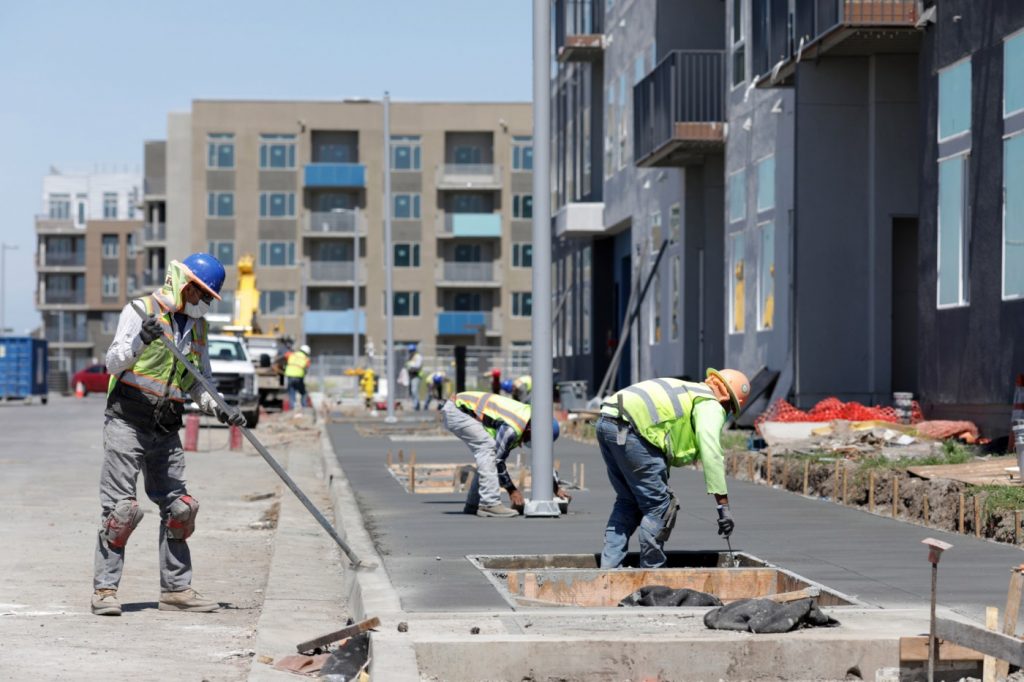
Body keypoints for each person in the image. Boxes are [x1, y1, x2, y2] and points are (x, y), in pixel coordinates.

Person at [92, 253, 246, 617]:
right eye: (203, 295)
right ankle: (105, 591)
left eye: (210, 298)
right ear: (186, 286)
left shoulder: (199, 329)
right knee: (121, 512)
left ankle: (176, 590)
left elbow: (198, 381)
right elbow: (112, 362)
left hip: (166, 427)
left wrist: (221, 408)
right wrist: (139, 343)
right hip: (127, 421)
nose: (205, 303)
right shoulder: (141, 310)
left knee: (181, 509)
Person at [596, 369, 751, 569]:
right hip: (633, 429)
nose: (727, 413)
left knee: (628, 500)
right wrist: (723, 507)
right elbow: (711, 452)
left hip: (607, 421)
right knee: (659, 506)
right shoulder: (710, 404)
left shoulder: (690, 391)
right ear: (727, 400)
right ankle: (653, 573)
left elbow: (665, 431)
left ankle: (608, 570)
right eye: (731, 408)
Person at [441, 391, 569, 517]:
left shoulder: (532, 420)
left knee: (489, 455)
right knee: (488, 449)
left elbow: (541, 459)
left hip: (462, 408)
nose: (529, 442)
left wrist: (554, 487)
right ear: (532, 430)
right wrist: (512, 491)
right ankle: (489, 504)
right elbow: (498, 461)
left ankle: (473, 504)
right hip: (457, 410)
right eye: (531, 439)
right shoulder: (512, 428)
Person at [283, 343, 311, 411]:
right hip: (298, 377)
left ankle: (292, 407)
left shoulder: (292, 354)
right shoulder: (306, 358)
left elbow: (285, 355)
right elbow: (307, 367)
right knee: (303, 392)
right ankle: (304, 406)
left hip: (289, 376)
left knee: (292, 391)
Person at [405, 343, 423, 411]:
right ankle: (415, 404)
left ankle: (416, 405)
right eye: (410, 350)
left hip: (417, 375)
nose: (410, 351)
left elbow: (417, 366)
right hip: (411, 375)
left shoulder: (418, 356)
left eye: (411, 350)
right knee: (412, 391)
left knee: (414, 390)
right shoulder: (410, 356)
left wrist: (410, 366)